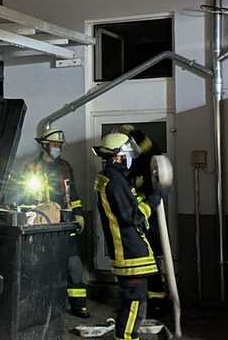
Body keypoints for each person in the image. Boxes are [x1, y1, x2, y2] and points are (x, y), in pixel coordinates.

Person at [13, 128, 90, 319]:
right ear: (45, 145)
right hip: (42, 223)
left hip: (65, 221)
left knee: (74, 265)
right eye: (55, 145)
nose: (58, 148)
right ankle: (41, 304)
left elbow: (73, 195)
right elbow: (21, 197)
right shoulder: (31, 168)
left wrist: (78, 215)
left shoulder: (65, 167)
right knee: (41, 265)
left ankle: (78, 305)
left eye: (60, 145)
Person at [92, 132, 159, 340]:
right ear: (119, 157)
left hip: (131, 250)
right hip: (130, 253)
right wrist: (154, 200)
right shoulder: (115, 181)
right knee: (133, 303)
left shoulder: (113, 178)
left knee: (137, 302)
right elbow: (133, 216)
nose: (132, 160)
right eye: (129, 155)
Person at [117, 125, 169, 316]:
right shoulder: (124, 169)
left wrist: (133, 133)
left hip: (148, 220)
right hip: (135, 222)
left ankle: (157, 304)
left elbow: (151, 150)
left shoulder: (145, 162)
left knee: (152, 263)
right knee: (139, 268)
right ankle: (141, 303)